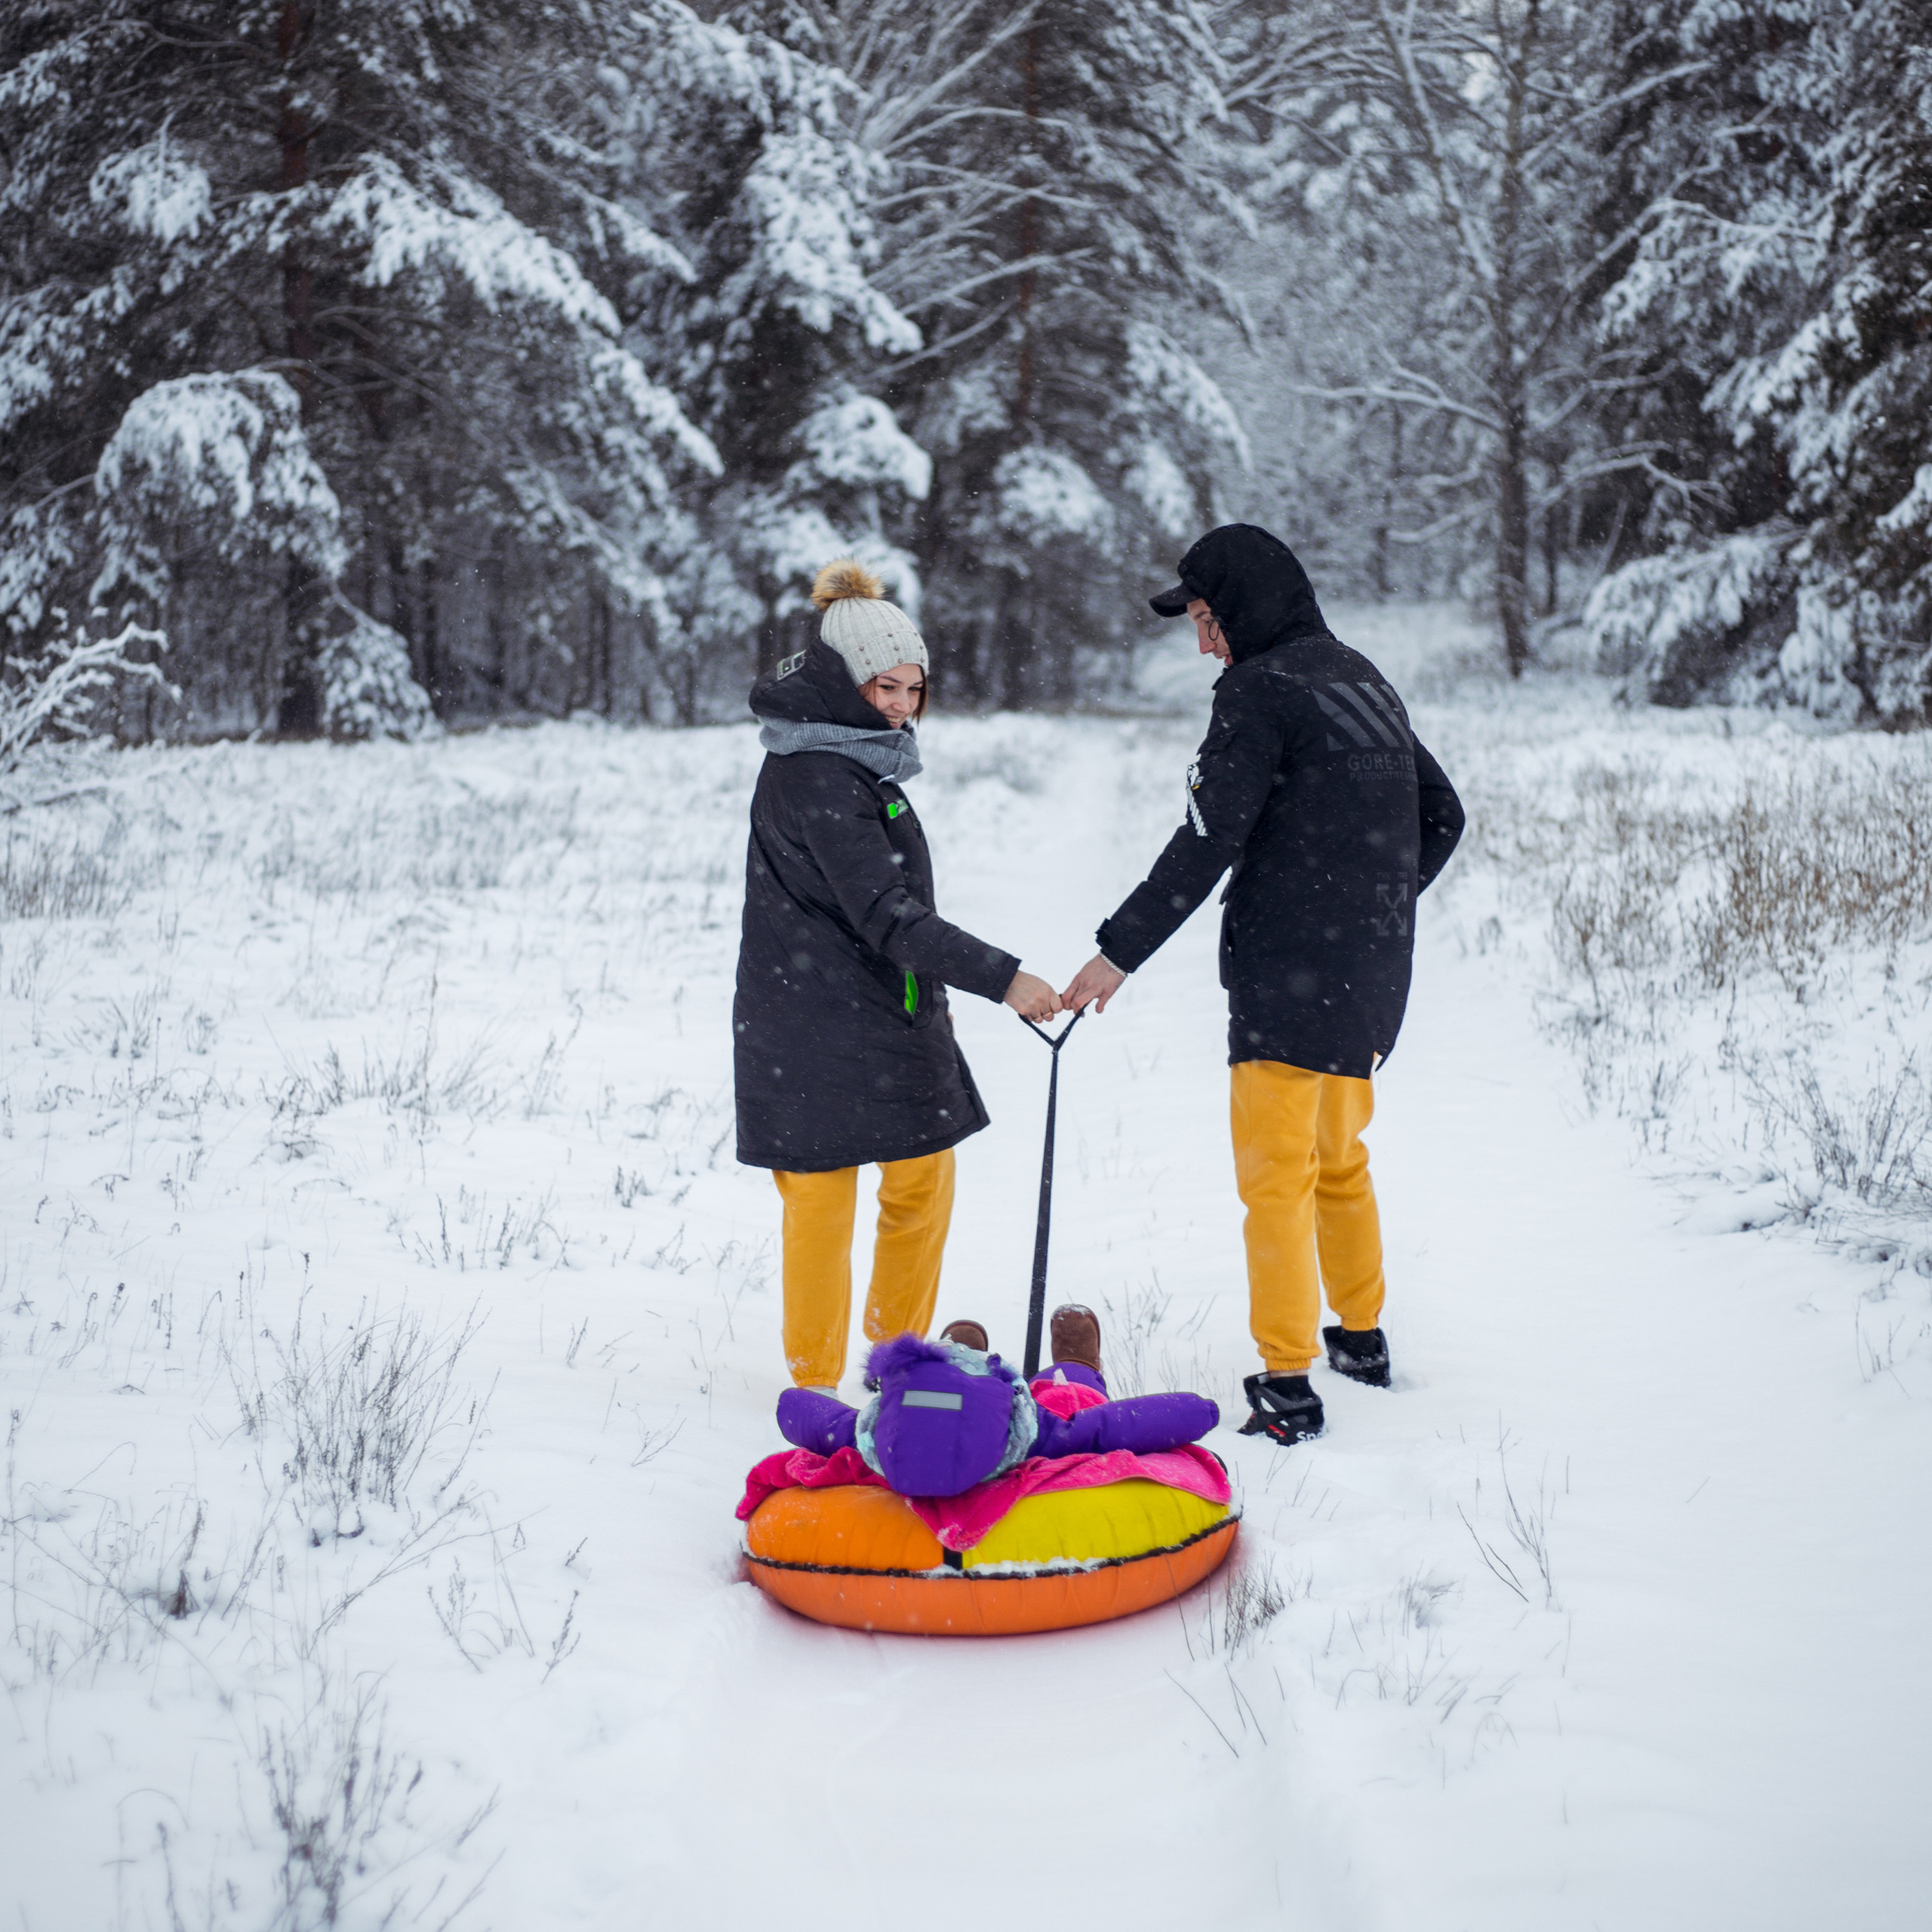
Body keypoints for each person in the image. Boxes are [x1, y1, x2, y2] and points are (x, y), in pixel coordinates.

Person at [1061, 525, 1464, 1447]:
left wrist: (1117, 952)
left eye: (1208, 619)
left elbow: (1211, 834)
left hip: (1287, 977)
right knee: (1339, 1162)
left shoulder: (1257, 690)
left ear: (1243, 608)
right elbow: (1442, 814)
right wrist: (1371, 907)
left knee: (1276, 1180)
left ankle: (1286, 1384)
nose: (1205, 643)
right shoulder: (1360, 678)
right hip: (1368, 975)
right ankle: (1359, 1340)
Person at [735, 559, 1061, 1396]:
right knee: (823, 1200)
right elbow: (886, 912)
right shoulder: (820, 771)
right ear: (842, 680)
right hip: (818, 1020)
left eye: (914, 689)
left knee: (919, 1176)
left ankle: (894, 1362)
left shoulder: (836, 755)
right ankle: (816, 1389)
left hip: (864, 1010)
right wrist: (1005, 978)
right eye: (885, 687)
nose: (902, 706)